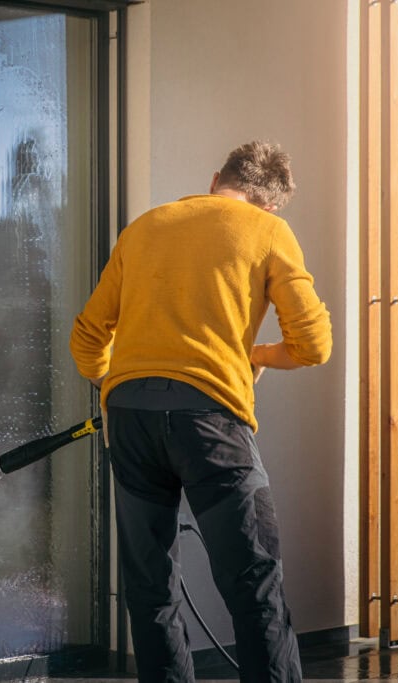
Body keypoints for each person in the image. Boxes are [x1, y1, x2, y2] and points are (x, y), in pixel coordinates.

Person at [69, 141, 332, 682]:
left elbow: (88, 337)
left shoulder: (144, 228)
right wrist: (254, 355)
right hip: (210, 423)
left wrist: (116, 380)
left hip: (130, 419)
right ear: (270, 205)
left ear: (217, 179)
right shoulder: (268, 232)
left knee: (148, 587)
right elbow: (313, 345)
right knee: (253, 583)